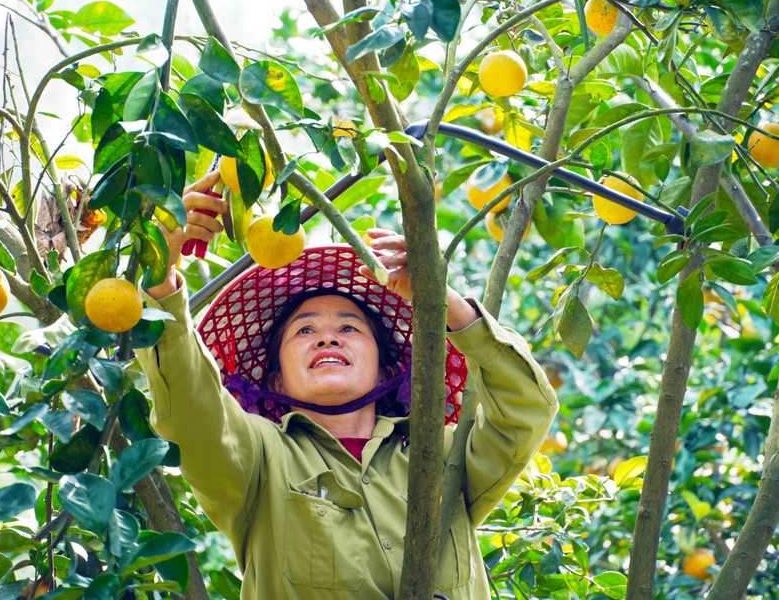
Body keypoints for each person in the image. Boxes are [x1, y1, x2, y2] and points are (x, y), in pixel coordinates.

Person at [135, 170, 559, 599]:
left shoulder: (444, 453)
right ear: (275, 379)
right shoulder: (260, 459)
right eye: (304, 331)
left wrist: (442, 298)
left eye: (350, 327)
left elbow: (524, 411)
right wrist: (159, 274)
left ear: (387, 372)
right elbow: (193, 409)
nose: (327, 337)